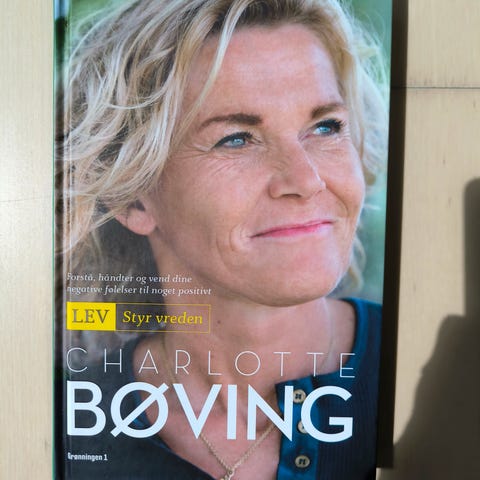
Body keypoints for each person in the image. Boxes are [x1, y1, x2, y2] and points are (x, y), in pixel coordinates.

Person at [56, 0, 389, 479]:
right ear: (132, 200)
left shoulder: (426, 369)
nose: (306, 179)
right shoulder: (59, 429)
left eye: (326, 127)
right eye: (236, 138)